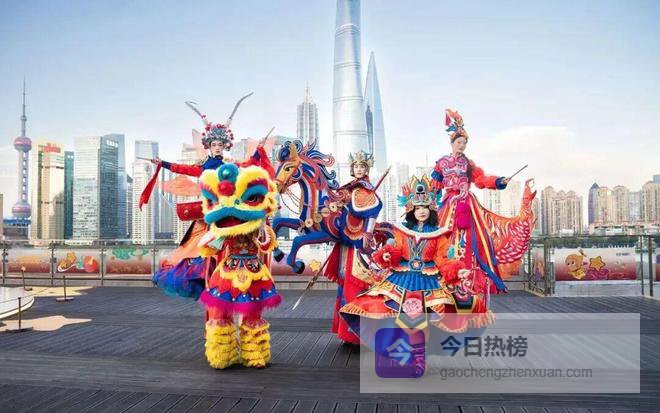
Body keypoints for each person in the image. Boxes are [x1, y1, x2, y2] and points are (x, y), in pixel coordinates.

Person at [340, 175, 493, 377]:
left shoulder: (439, 234)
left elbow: (442, 259)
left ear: (431, 209)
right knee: (400, 318)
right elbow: (395, 251)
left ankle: (419, 360)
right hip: (402, 278)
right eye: (418, 207)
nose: (421, 211)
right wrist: (387, 255)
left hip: (427, 280)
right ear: (411, 209)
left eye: (425, 207)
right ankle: (411, 358)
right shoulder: (402, 231)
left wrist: (457, 271)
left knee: (419, 321)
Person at [146, 96, 249, 299]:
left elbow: (246, 174)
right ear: (209, 146)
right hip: (209, 213)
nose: (217, 147)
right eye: (214, 144)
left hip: (228, 209)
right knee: (198, 246)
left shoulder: (231, 166)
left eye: (220, 144)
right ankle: (205, 278)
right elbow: (181, 168)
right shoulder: (203, 166)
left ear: (225, 146)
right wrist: (162, 163)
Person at [430, 109, 510, 294]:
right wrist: (427, 206)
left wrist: (498, 181)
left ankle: (470, 278)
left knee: (475, 239)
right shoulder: (441, 163)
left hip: (467, 204)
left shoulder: (468, 164)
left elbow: (481, 180)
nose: (462, 146)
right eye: (459, 142)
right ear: (452, 143)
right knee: (442, 236)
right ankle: (444, 276)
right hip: (449, 204)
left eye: (464, 143)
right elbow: (434, 187)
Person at [324, 151, 382, 344]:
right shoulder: (350, 188)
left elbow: (373, 212)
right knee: (344, 278)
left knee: (355, 281)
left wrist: (368, 233)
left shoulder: (366, 189)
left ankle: (358, 333)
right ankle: (346, 332)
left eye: (362, 167)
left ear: (367, 170)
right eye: (356, 166)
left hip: (359, 241)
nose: (358, 169)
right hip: (346, 240)